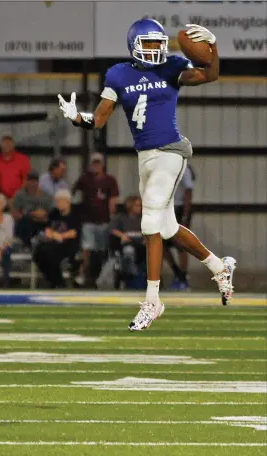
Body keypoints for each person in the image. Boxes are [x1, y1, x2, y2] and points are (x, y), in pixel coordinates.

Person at [58, 19, 236, 331]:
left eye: (158, 43)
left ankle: (152, 301)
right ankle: (220, 267)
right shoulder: (118, 74)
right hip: (146, 158)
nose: (155, 49)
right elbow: (99, 119)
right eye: (149, 43)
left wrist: (215, 47)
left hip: (171, 152)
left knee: (150, 218)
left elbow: (212, 74)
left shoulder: (171, 67)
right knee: (166, 227)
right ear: (134, 45)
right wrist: (77, 117)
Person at [72, 152, 119, 286]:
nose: (96, 166)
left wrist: (112, 217)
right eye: (94, 163)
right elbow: (74, 193)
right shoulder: (85, 179)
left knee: (102, 250)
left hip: (104, 221)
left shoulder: (110, 180)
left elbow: (113, 200)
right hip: (88, 221)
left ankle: (100, 277)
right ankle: (83, 275)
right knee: (87, 249)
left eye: (98, 163)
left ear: (102, 164)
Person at [34, 189, 81, 288]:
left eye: (60, 201)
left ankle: (58, 282)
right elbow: (47, 228)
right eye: (57, 201)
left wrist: (60, 236)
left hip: (68, 244)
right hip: (52, 241)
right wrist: (53, 234)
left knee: (50, 254)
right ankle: (53, 280)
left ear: (67, 201)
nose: (58, 203)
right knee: (38, 253)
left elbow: (74, 232)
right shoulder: (54, 212)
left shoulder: (75, 214)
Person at [164, 164, 195, 291]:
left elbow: (188, 191)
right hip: (165, 208)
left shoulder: (183, 169)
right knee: (162, 244)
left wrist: (185, 215)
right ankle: (178, 273)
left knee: (180, 244)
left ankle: (182, 277)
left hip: (179, 208)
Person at [11, 171, 52, 248]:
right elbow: (15, 214)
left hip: (42, 222)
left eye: (35, 181)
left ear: (38, 182)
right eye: (30, 181)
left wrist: (42, 216)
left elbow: (51, 213)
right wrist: (33, 214)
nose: (33, 184)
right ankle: (28, 247)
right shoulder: (20, 195)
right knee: (26, 222)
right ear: (26, 182)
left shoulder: (46, 196)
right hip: (26, 223)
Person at [109, 196, 145, 279]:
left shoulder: (143, 218)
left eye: (140, 205)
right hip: (127, 244)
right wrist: (122, 235)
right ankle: (131, 275)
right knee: (129, 251)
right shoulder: (121, 217)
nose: (140, 208)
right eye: (137, 205)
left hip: (142, 244)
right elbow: (112, 229)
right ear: (130, 206)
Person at [0, 135, 31, 199]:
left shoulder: (23, 159)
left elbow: (26, 180)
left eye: (9, 142)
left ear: (14, 144)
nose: (7, 144)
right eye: (4, 142)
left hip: (20, 198)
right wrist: (0, 196)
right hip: (0, 198)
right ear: (0, 145)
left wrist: (16, 196)